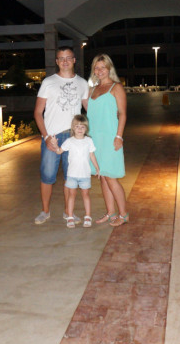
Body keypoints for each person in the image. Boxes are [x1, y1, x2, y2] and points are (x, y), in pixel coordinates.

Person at [33, 47, 89, 225]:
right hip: (53, 137)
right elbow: (37, 113)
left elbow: (90, 110)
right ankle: (45, 211)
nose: (65, 61)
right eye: (61, 58)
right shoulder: (48, 82)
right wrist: (46, 137)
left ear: (74, 60)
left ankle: (68, 212)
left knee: (70, 177)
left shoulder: (82, 83)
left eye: (68, 58)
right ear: (57, 61)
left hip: (74, 138)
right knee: (47, 176)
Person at [87, 54, 129, 226]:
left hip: (111, 137)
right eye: (96, 67)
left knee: (111, 177)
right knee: (102, 176)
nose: (99, 70)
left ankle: (124, 214)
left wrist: (119, 136)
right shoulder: (92, 90)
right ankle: (111, 213)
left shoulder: (116, 87)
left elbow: (122, 114)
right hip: (95, 139)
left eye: (103, 67)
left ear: (109, 68)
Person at [53, 114, 100, 228]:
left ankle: (88, 216)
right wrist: (55, 145)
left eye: (82, 127)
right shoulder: (69, 141)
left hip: (85, 174)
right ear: (73, 128)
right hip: (72, 175)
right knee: (71, 195)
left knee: (86, 195)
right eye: (77, 126)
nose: (80, 129)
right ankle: (70, 217)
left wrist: (97, 168)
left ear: (86, 129)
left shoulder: (89, 141)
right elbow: (59, 151)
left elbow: (92, 155)